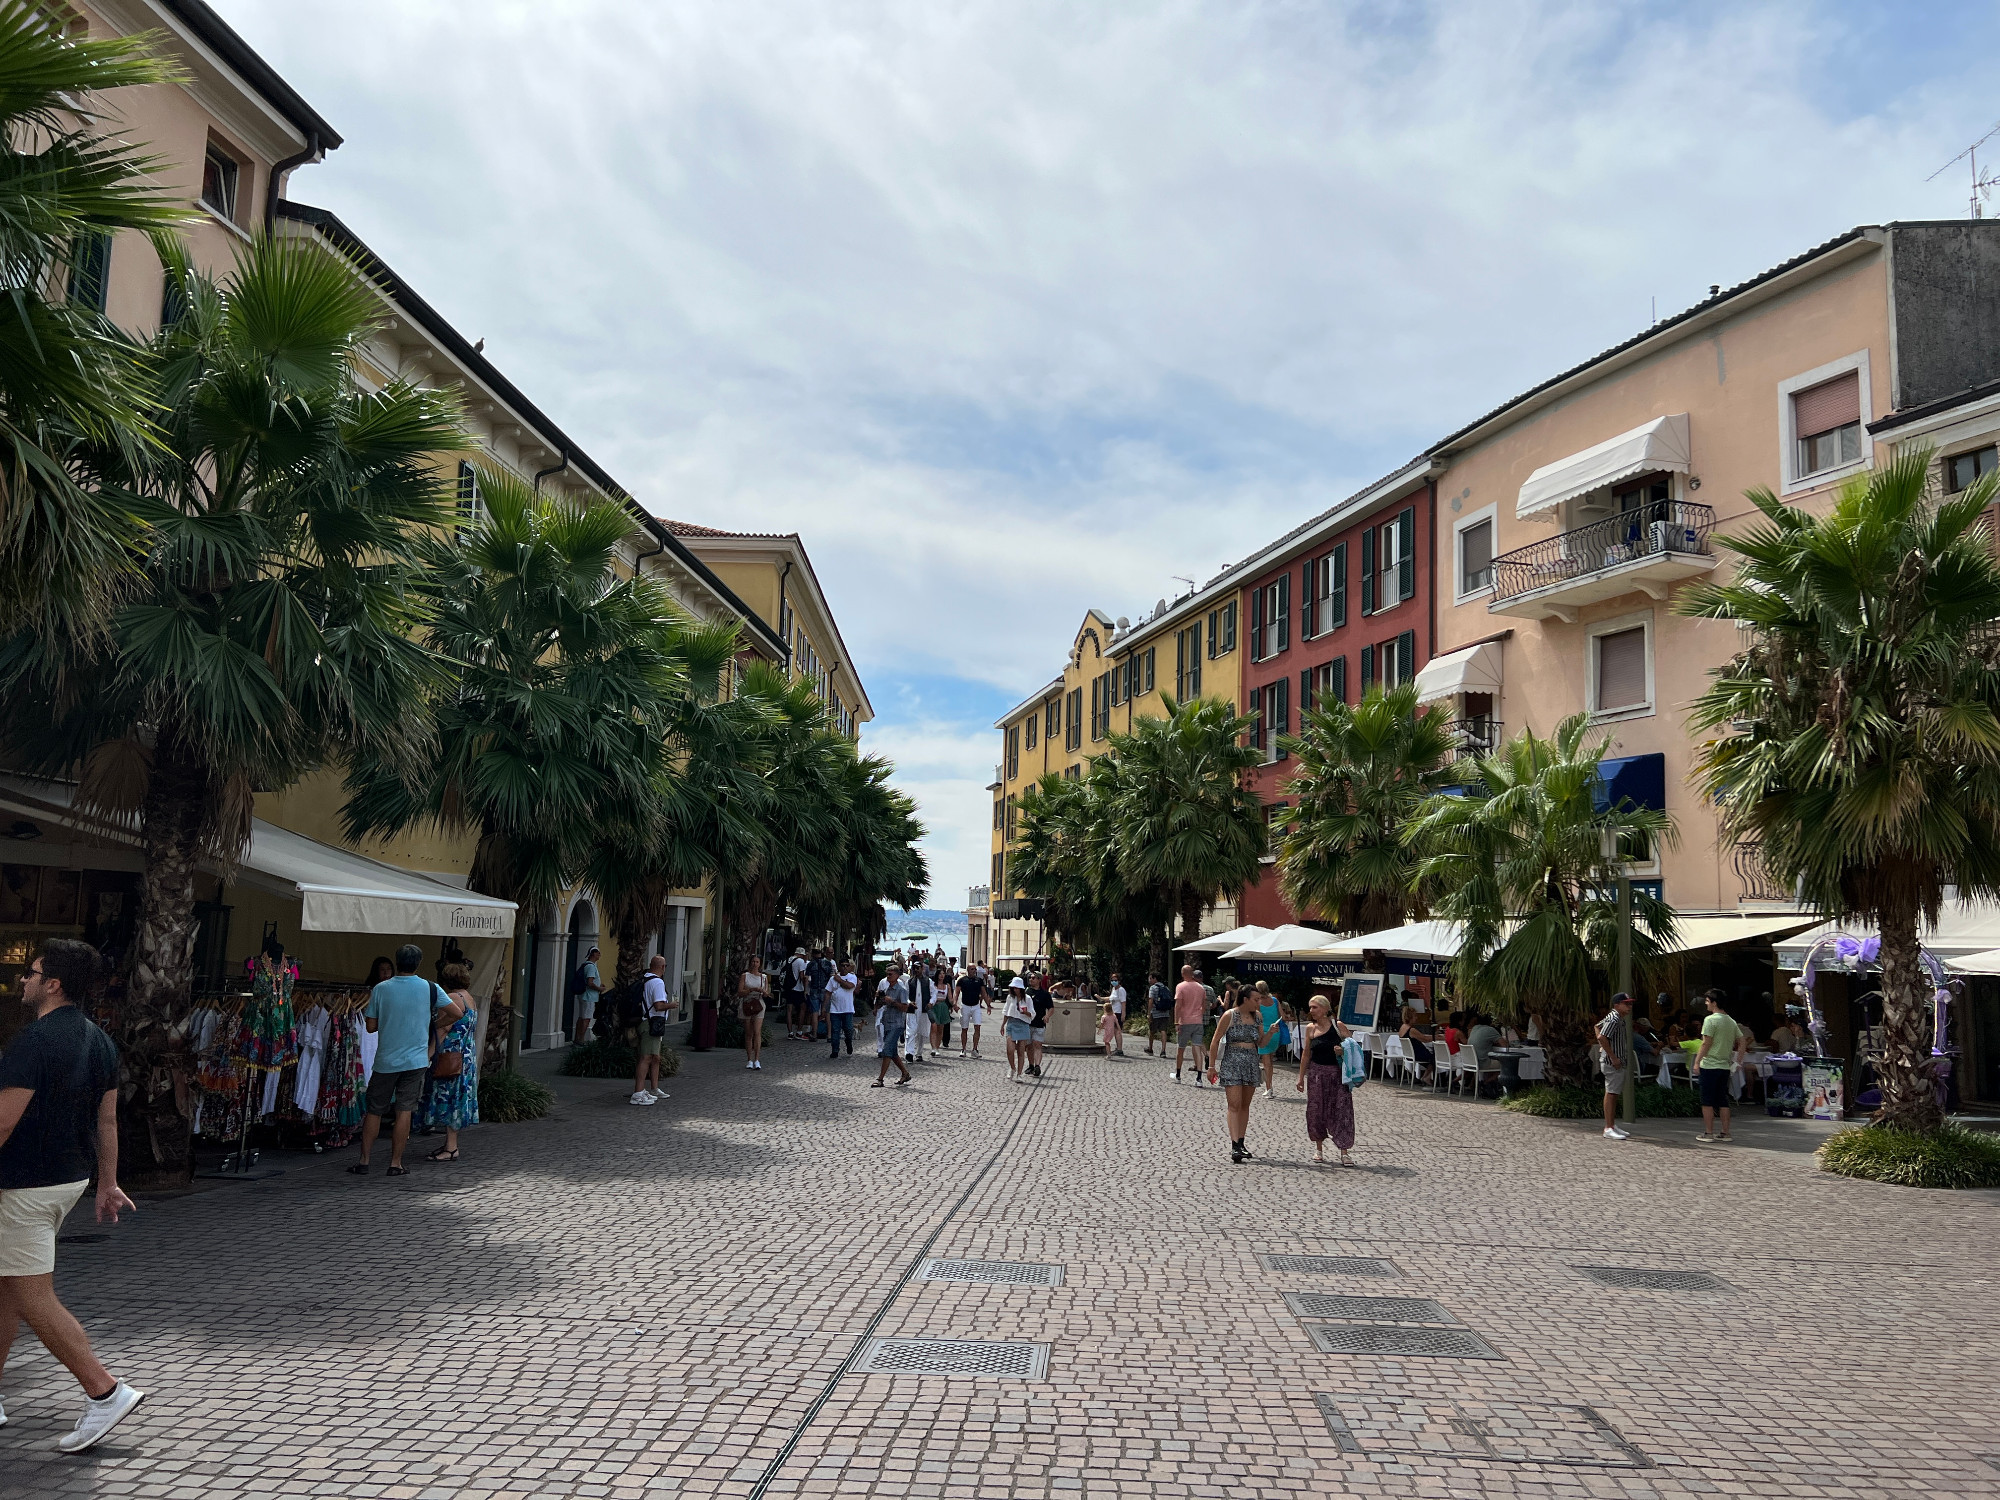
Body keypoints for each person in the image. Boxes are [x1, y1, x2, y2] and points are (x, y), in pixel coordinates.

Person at [0, 938, 144, 1453]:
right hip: (66, 1183)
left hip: (23, 1187)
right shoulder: (100, 1042)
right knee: (7, 1289)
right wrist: (108, 1183)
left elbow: (2, 1123)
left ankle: (105, 1392)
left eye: (32, 971)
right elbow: (106, 1120)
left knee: (32, 1296)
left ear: (52, 983)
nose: (24, 978)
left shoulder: (33, 1042)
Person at [350, 944, 446, 1176]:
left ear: (397, 961)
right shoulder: (430, 988)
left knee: (375, 1110)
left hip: (386, 1060)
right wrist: (431, 1024)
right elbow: (456, 1012)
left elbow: (371, 1026)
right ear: (418, 963)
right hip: (415, 1061)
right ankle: (396, 1163)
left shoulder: (381, 988)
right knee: (405, 1110)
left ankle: (364, 1161)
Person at [1209, 983, 1281, 1162]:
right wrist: (1211, 1066)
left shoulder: (1257, 1016)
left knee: (1244, 1106)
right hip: (1232, 1061)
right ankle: (1234, 1146)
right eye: (1256, 999)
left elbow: (1262, 1043)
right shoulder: (1230, 1015)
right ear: (1246, 999)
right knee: (1234, 1104)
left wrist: (1271, 1032)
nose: (1259, 1002)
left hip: (1250, 1062)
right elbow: (1215, 1040)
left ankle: (1241, 1142)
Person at [421, 961, 481, 1153]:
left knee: (449, 1096)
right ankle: (449, 1143)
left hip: (450, 1055)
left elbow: (444, 1029)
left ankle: (451, 1147)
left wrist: (428, 1054)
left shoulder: (452, 998)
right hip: (466, 1055)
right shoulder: (470, 998)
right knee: (458, 1095)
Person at [1295, 991, 1356, 1165]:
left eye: (1315, 1007)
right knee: (1316, 1112)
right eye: (1310, 1008)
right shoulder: (1310, 1028)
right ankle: (1318, 1149)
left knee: (1342, 1111)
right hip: (1316, 1075)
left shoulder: (1338, 1026)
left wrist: (1342, 1051)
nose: (1311, 1010)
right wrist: (1300, 1077)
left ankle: (1344, 1152)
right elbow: (1306, 1054)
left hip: (1337, 1075)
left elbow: (1353, 1049)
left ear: (1325, 1008)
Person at [1694, 989, 1747, 1142]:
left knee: (1707, 1101)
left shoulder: (1710, 1020)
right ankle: (1725, 1132)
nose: (1705, 1004)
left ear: (1714, 1002)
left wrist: (1697, 1061)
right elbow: (1742, 1040)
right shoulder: (1730, 1020)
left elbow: (1706, 1042)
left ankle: (1708, 1132)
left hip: (1709, 1064)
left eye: (1707, 1001)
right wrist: (1739, 1060)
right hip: (1724, 1066)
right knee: (1723, 1100)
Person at [630, 954, 673, 1106]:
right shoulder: (657, 983)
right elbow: (659, 1005)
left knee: (654, 1056)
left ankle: (652, 1088)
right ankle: (638, 1092)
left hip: (646, 1022)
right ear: (662, 967)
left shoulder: (645, 979)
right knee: (646, 1057)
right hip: (652, 1023)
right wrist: (672, 1005)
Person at [1596, 991, 1635, 1141]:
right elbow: (1602, 1036)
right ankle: (1608, 1127)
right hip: (1613, 1062)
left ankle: (1611, 1124)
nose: (1629, 1006)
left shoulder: (1616, 1018)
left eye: (1630, 1003)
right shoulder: (1614, 1019)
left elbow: (1597, 1027)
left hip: (1614, 1060)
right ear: (1617, 1005)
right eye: (1626, 1004)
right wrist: (1612, 1056)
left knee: (1614, 1092)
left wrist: (1604, 1049)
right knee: (1611, 1093)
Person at [872, 965, 914, 1088]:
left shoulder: (901, 990)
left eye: (890, 974)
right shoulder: (887, 989)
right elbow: (881, 1004)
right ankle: (905, 1073)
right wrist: (878, 1002)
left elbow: (905, 1007)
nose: (888, 976)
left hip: (897, 1024)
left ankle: (880, 1079)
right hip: (887, 1022)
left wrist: (892, 1002)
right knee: (892, 1052)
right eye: (887, 974)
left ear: (897, 975)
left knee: (886, 1050)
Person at [1172, 965, 1209, 1085]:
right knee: (1197, 1047)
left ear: (1182, 974)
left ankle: (1178, 1075)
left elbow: (1178, 1005)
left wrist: (1176, 1021)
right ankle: (1199, 1078)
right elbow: (1205, 1005)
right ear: (1192, 974)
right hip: (1198, 1021)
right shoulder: (1200, 988)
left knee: (1181, 1049)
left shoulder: (1180, 986)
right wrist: (1199, 1013)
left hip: (1185, 1021)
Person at [737, 954, 770, 1071]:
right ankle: (749, 1059)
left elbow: (767, 992)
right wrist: (751, 989)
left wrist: (764, 992)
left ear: (760, 963)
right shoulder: (745, 976)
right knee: (749, 1033)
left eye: (757, 962)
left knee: (757, 1031)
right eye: (753, 961)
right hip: (746, 1003)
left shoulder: (764, 977)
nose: (755, 964)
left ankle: (757, 1059)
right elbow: (740, 992)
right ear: (750, 963)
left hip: (758, 1004)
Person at [1254, 981, 1285, 1099]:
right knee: (1270, 1061)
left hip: (1264, 1032)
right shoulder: (1275, 1000)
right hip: (1275, 1031)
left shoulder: (1258, 1002)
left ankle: (1269, 1088)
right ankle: (1269, 1086)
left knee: (1266, 1062)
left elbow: (1257, 1017)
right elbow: (1282, 1016)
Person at [1001, 978, 1036, 1081]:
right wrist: (1002, 1025)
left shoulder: (1028, 999)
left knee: (1021, 1050)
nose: (1015, 989)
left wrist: (1025, 1012)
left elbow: (1032, 1014)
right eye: (1013, 987)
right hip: (1011, 1023)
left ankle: (1019, 1074)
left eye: (1017, 987)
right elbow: (1006, 1011)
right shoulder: (1010, 998)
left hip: (1023, 1024)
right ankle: (1012, 1067)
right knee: (1010, 1049)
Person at [826, 959, 859, 1058]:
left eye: (846, 965)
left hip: (847, 1009)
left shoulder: (852, 977)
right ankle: (835, 1050)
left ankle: (849, 1043)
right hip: (835, 1009)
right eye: (842, 965)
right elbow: (828, 993)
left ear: (849, 967)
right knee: (835, 1030)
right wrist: (824, 1007)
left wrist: (839, 980)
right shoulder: (832, 979)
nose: (844, 967)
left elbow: (849, 986)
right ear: (839, 967)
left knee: (848, 1030)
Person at [571, 945, 604, 1044]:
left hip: (584, 995)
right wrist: (599, 988)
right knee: (586, 1019)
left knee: (582, 1017)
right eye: (598, 953)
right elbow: (590, 982)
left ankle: (577, 1038)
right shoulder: (591, 967)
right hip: (589, 996)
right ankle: (581, 1039)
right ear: (593, 954)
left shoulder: (585, 965)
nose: (599, 955)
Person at [955, 964, 986, 1057]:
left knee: (977, 1026)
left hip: (976, 1006)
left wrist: (988, 1004)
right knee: (964, 1028)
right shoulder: (962, 980)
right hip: (965, 1006)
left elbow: (983, 993)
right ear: (968, 970)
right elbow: (956, 993)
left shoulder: (979, 980)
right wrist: (954, 1004)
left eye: (975, 969)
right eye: (972, 969)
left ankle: (975, 1049)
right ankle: (963, 1049)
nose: (974, 971)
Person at [1028, 974, 1053, 1078]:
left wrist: (1047, 1016)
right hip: (1027, 1023)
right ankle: (1031, 1065)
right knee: (1029, 1046)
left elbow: (1051, 1008)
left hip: (1039, 1023)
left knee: (1037, 1045)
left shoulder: (1045, 994)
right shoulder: (1027, 992)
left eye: (1033, 978)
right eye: (1030, 977)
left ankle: (1037, 1066)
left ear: (1039, 980)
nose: (1031, 979)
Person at [1145, 972, 1172, 1056]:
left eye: (1150, 978)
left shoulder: (1153, 988)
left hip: (1155, 1012)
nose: (1149, 980)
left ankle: (1150, 1048)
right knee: (1163, 1030)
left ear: (1154, 978)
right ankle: (1163, 1050)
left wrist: (1149, 1013)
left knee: (1152, 1031)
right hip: (1165, 1013)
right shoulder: (1166, 988)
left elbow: (1151, 1000)